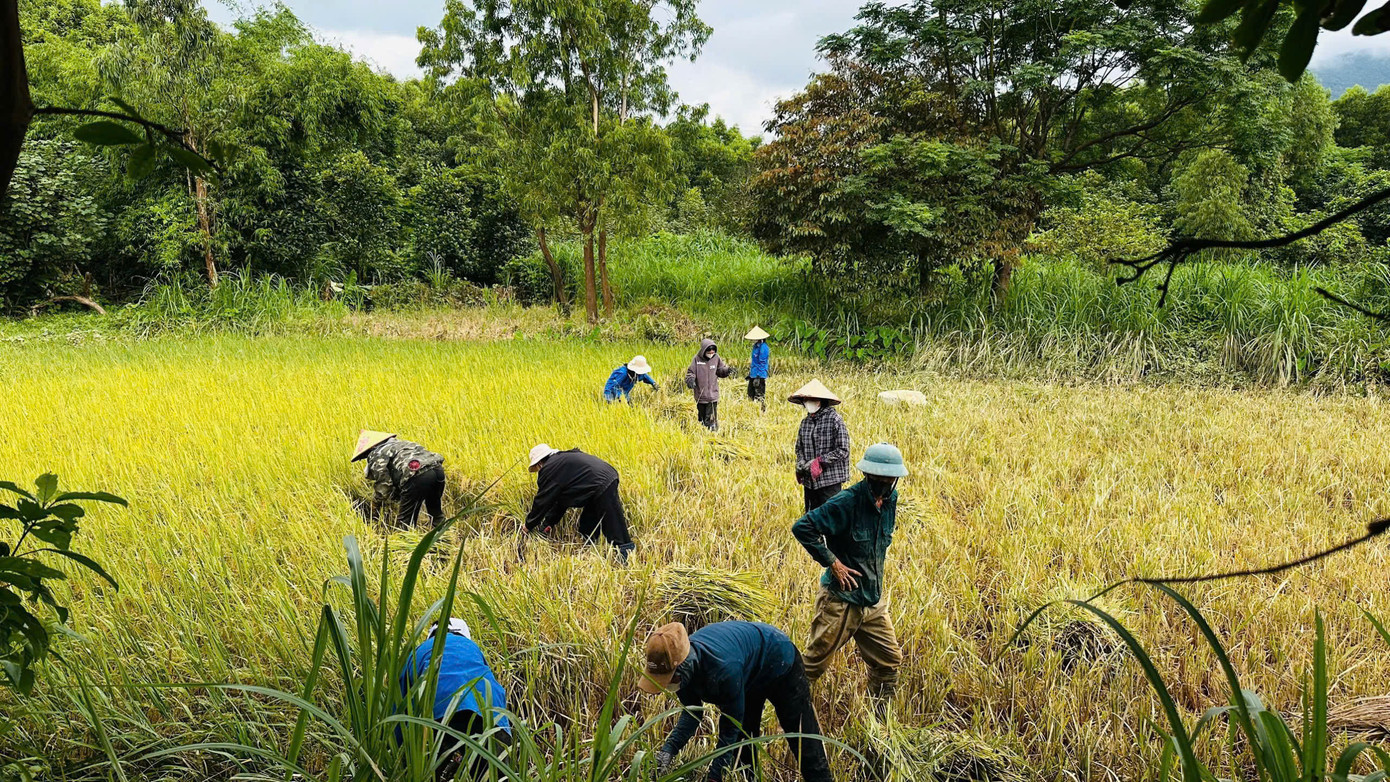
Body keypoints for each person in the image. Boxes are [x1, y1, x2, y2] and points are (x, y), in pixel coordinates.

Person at [639, 620, 832, 782]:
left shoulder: (722, 670)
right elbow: (692, 715)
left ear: (683, 664)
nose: (668, 684)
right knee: (743, 747)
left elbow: (730, 728)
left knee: (803, 740)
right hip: (747, 674)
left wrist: (715, 776)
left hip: (779, 660)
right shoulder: (682, 671)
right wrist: (667, 752)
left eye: (669, 678)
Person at [791, 443, 907, 708]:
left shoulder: (891, 501)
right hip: (840, 600)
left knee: (889, 661)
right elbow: (803, 527)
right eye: (879, 479)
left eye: (889, 479)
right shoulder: (846, 502)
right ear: (867, 475)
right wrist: (833, 563)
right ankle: (793, 718)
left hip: (871, 600)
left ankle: (880, 721)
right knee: (811, 667)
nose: (884, 484)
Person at [399, 618, 512, 782]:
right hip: (490, 719)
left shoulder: (417, 653)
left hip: (440, 721)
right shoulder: (472, 648)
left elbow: (401, 709)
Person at [525, 443, 634, 563]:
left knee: (614, 524)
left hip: (600, 483)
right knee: (588, 522)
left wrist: (528, 525)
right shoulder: (563, 461)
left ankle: (626, 557)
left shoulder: (550, 468)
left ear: (539, 463)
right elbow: (561, 502)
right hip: (604, 478)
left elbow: (542, 501)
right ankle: (590, 548)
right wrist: (548, 523)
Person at [353, 430, 447, 528]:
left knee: (405, 522)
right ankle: (444, 538)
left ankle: (407, 541)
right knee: (435, 512)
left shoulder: (377, 453)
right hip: (438, 470)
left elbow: (384, 483)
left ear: (372, 447)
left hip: (417, 476)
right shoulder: (403, 443)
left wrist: (376, 503)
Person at [789, 380, 850, 513]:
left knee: (830, 518)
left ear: (820, 401)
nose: (807, 402)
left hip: (830, 481)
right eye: (805, 400)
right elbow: (799, 448)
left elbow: (843, 450)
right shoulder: (805, 423)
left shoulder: (835, 420)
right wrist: (801, 462)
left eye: (810, 399)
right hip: (810, 481)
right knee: (811, 517)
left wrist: (820, 461)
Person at [685, 338, 734, 431]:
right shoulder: (696, 359)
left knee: (711, 419)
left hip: (712, 395)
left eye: (713, 352)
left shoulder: (716, 358)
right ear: (704, 350)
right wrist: (690, 380)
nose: (711, 354)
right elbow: (691, 372)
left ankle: (713, 433)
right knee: (702, 418)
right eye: (709, 352)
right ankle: (703, 430)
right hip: (700, 395)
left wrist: (727, 370)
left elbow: (720, 370)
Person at [745, 327, 770, 412]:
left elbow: (762, 362)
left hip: (760, 374)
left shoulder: (764, 348)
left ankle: (762, 410)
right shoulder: (755, 346)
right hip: (754, 373)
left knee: (759, 394)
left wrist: (758, 377)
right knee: (750, 393)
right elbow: (754, 362)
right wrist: (751, 374)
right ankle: (751, 410)